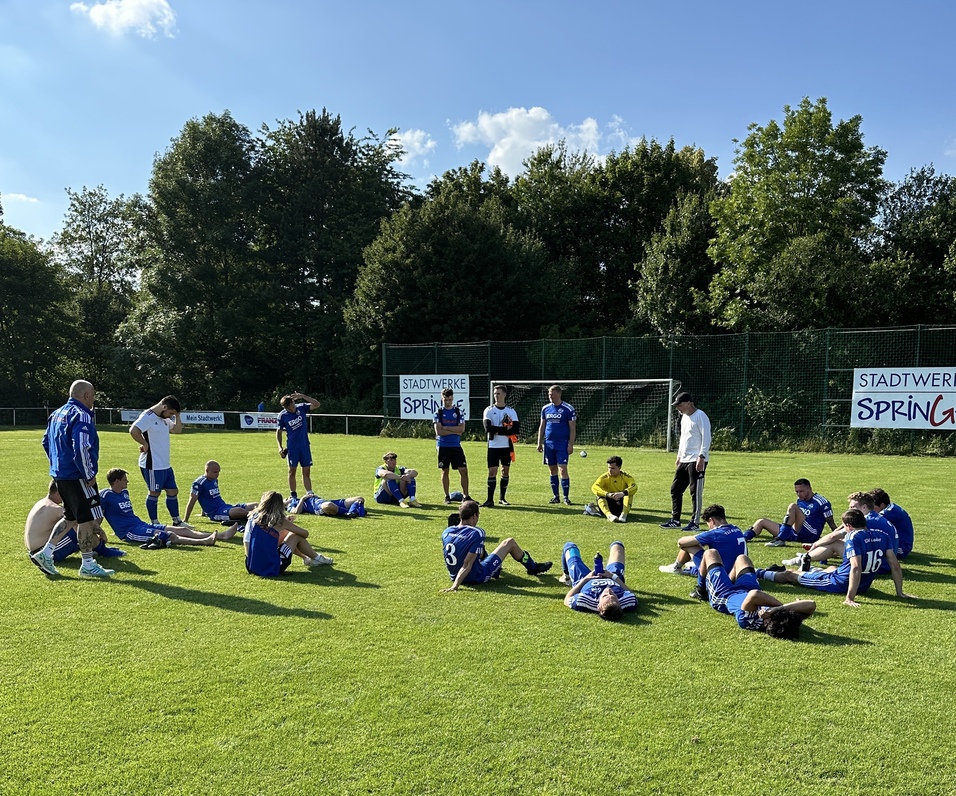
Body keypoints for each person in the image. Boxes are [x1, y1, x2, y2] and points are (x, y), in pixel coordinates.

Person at [756, 509, 917, 607]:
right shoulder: (882, 535)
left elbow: (855, 567)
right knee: (832, 568)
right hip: (864, 585)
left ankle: (758, 572)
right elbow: (895, 566)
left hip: (840, 583)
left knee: (790, 575)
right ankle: (809, 569)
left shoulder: (853, 537)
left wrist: (849, 598)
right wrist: (900, 593)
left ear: (848, 526)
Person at [38, 379, 114, 578]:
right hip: (77, 475)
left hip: (61, 475)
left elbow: (45, 442)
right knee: (86, 518)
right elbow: (81, 447)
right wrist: (89, 474)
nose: (93, 400)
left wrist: (57, 466)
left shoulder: (56, 414)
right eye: (93, 396)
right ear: (86, 395)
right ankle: (87, 564)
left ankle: (46, 553)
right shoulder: (82, 415)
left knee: (71, 517)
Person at [698, 550, 817, 638]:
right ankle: (729, 579)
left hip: (725, 595)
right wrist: (779, 609)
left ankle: (701, 590)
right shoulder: (787, 621)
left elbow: (754, 595)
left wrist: (778, 608)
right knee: (742, 558)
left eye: (765, 625)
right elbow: (811, 604)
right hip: (748, 589)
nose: (765, 622)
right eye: (769, 621)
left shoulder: (749, 621)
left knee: (711, 553)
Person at [441, 500, 552, 591]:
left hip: (454, 575)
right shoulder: (477, 532)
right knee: (509, 542)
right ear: (474, 515)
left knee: (479, 550)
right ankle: (533, 567)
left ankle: (496, 569)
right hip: (476, 577)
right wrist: (455, 586)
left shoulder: (447, 531)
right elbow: (467, 563)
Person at [99, 469, 225, 548]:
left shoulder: (124, 493)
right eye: (124, 480)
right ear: (116, 481)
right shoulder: (105, 495)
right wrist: (98, 532)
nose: (127, 482)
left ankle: (220, 536)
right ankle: (205, 541)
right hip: (129, 532)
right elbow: (99, 515)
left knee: (181, 529)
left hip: (140, 524)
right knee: (167, 535)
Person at [25, 480, 124, 575]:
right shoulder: (55, 508)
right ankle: (102, 550)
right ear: (59, 493)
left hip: (34, 551)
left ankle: (94, 550)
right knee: (80, 527)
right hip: (43, 550)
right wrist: (101, 533)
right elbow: (83, 520)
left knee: (77, 525)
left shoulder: (43, 503)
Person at [659, 504, 748, 601]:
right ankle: (688, 567)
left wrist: (699, 540)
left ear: (711, 520)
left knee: (690, 545)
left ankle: (676, 567)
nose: (709, 527)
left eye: (708, 524)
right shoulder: (736, 529)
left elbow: (681, 542)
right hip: (739, 573)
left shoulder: (715, 533)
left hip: (721, 575)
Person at [244, 490, 334, 577]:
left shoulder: (252, 518)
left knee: (283, 533)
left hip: (251, 565)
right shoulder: (280, 521)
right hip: (272, 567)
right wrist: (288, 525)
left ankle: (306, 558)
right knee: (295, 535)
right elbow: (305, 534)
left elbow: (246, 541)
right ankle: (317, 558)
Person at [129, 395, 184, 525]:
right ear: (164, 407)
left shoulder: (164, 418)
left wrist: (177, 415)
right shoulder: (147, 416)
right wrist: (144, 443)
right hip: (153, 464)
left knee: (173, 491)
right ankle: (155, 523)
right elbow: (133, 430)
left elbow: (177, 430)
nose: (170, 416)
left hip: (165, 464)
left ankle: (177, 521)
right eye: (170, 413)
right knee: (154, 493)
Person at [660, 391, 710, 531]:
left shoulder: (700, 416)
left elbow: (706, 437)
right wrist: (679, 455)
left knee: (695, 492)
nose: (678, 408)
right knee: (675, 489)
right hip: (685, 459)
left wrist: (702, 456)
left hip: (697, 459)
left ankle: (695, 522)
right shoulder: (684, 418)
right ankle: (675, 520)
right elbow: (683, 438)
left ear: (689, 403)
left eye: (680, 405)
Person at [743, 478, 836, 548]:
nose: (799, 494)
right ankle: (743, 539)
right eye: (797, 491)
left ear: (809, 488)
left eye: (801, 491)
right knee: (761, 521)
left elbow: (830, 521)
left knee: (792, 506)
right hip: (794, 532)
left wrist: (837, 535)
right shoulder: (800, 500)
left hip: (810, 533)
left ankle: (781, 539)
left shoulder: (821, 501)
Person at [561, 541, 638, 620]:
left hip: (585, 579)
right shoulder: (627, 601)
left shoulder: (586, 601)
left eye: (605, 596)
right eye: (613, 595)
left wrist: (586, 579)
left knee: (570, 547)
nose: (608, 591)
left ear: (598, 606)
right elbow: (631, 594)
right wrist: (613, 576)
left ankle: (567, 576)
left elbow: (567, 599)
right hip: (611, 577)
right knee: (617, 545)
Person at [183, 461, 257, 529]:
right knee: (239, 511)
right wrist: (185, 519)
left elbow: (208, 496)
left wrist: (203, 513)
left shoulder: (214, 480)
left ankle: (256, 514)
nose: (217, 474)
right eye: (215, 472)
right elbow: (192, 500)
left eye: (218, 472)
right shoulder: (199, 483)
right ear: (207, 471)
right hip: (216, 512)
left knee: (255, 504)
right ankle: (256, 516)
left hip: (225, 506)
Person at [536, 384, 576, 505]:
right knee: (552, 469)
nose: (550, 396)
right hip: (549, 443)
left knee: (562, 469)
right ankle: (556, 496)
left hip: (562, 444)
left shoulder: (568, 409)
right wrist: (539, 442)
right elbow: (542, 426)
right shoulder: (545, 408)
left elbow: (572, 428)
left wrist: (570, 444)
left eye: (552, 394)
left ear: (559, 394)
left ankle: (566, 497)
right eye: (549, 394)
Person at [276, 391, 321, 499]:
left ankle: (309, 493)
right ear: (285, 407)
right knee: (292, 471)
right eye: (288, 407)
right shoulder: (282, 416)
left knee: (306, 471)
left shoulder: (301, 408)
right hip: (292, 447)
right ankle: (293, 495)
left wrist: (303, 396)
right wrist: (280, 447)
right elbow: (278, 432)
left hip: (305, 445)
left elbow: (317, 404)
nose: (291, 407)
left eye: (292, 404)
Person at [481, 385, 520, 507]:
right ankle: (489, 500)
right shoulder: (489, 410)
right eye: (495, 394)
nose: (496, 396)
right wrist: (505, 429)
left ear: (504, 394)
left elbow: (516, 429)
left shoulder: (511, 411)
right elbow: (488, 428)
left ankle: (502, 498)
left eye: (498, 393)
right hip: (493, 446)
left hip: (506, 446)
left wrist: (497, 431)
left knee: (505, 470)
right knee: (492, 471)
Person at [434, 387, 470, 503]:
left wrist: (446, 427)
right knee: (445, 471)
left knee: (463, 470)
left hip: (456, 445)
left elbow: (461, 430)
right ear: (442, 399)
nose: (447, 402)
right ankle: (447, 496)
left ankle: (466, 496)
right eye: (445, 400)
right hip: (443, 445)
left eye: (449, 399)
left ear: (452, 399)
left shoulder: (458, 412)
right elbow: (439, 432)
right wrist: (454, 430)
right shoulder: (438, 412)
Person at [587, 456, 638, 523]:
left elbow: (634, 486)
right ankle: (609, 515)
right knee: (599, 495)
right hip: (608, 502)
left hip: (621, 504)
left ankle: (624, 514)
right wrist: (607, 494)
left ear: (619, 467)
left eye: (613, 468)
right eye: (609, 468)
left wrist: (622, 493)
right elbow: (594, 487)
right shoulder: (604, 477)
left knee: (629, 493)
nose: (610, 470)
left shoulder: (626, 477)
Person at [870, 487, 914, 558]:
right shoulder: (892, 508)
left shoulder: (888, 513)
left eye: (874, 508)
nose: (871, 511)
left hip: (901, 548)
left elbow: (869, 522)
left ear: (882, 505)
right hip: (903, 545)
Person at [288, 494, 366, 518]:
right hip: (318, 506)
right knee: (328, 505)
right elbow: (296, 512)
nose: (288, 498)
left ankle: (354, 511)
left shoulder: (295, 499)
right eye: (286, 499)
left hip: (326, 501)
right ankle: (351, 511)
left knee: (360, 498)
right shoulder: (290, 505)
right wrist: (302, 499)